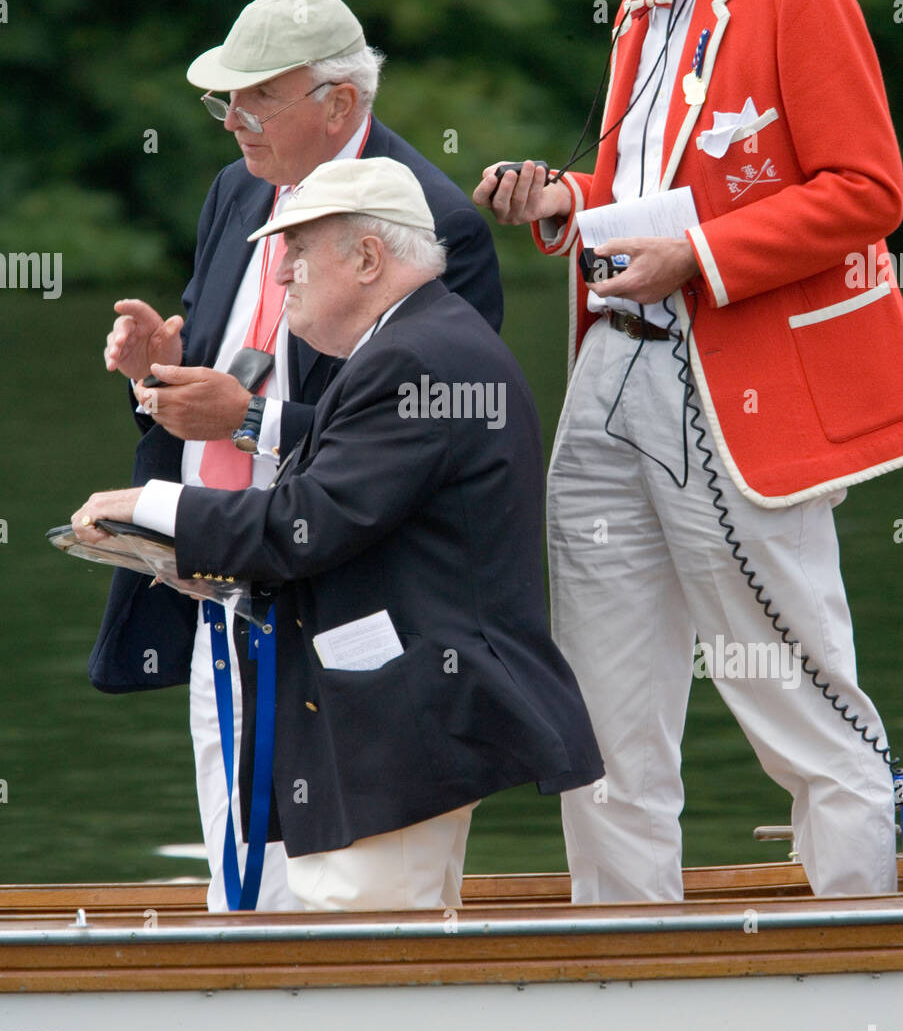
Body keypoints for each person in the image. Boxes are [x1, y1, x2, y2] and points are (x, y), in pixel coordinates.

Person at [473, 0, 903, 902]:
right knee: (601, 697)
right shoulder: (636, 18)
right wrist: (559, 201)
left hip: (735, 384)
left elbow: (868, 188)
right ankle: (625, 966)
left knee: (796, 688)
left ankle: (855, 939)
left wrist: (699, 258)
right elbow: (631, 195)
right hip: (614, 370)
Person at [73, 157, 603, 913]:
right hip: (401, 719)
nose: (281, 272)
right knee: (381, 965)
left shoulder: (411, 357)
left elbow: (306, 524)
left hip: (398, 727)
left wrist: (151, 508)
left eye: (296, 251)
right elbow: (353, 471)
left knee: (361, 968)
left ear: (365, 258)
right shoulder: (422, 343)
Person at [92, 0, 503, 911]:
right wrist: (158, 373)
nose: (232, 122)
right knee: (238, 884)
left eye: (255, 99)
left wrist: (243, 418)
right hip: (211, 581)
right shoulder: (235, 188)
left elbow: (427, 441)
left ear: (340, 105)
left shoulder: (434, 222)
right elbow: (220, 369)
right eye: (222, 101)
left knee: (330, 894)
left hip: (341, 603)